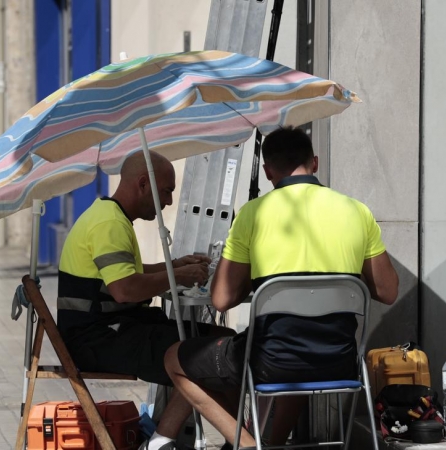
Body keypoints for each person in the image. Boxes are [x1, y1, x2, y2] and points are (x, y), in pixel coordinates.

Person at [164, 127, 400, 448]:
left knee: (174, 358)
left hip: (271, 362)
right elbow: (387, 291)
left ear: (267, 171)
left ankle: (247, 444)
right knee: (299, 357)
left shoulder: (253, 214)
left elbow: (221, 300)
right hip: (338, 361)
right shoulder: (357, 211)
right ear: (314, 163)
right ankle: (272, 444)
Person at [56, 150, 234, 450]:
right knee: (207, 354)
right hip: (98, 339)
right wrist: (178, 276)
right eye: (166, 192)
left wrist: (175, 266)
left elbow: (128, 274)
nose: (168, 202)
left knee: (224, 341)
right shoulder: (108, 224)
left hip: (112, 330)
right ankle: (162, 441)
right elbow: (125, 289)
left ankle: (232, 437)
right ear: (142, 184)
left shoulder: (109, 216)